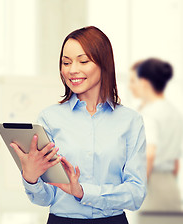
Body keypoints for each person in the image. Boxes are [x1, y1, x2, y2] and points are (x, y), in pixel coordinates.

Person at [10, 26, 147, 224]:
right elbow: (46, 198)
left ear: (104, 63)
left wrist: (83, 192)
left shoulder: (130, 121)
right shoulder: (49, 118)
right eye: (66, 62)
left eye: (83, 61)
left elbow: (136, 193)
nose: (72, 69)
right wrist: (31, 178)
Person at [130, 58, 182, 211]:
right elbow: (176, 163)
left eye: (135, 80)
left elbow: (149, 155)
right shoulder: (174, 112)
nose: (131, 86)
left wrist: (138, 188)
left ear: (144, 82)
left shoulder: (149, 114)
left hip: (152, 185)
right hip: (170, 185)